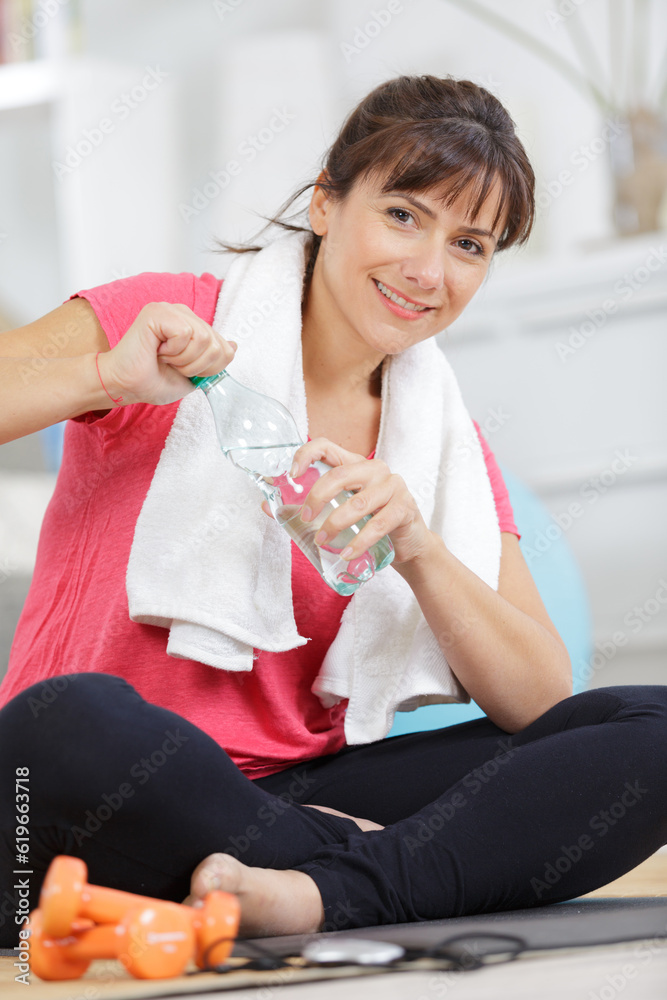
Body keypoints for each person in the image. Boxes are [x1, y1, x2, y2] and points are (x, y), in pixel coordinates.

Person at [1, 74, 666, 948]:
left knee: (649, 728)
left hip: (283, 798)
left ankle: (313, 892)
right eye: (402, 215)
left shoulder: (441, 439)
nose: (428, 271)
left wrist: (417, 546)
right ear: (325, 203)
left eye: (469, 244)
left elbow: (538, 698)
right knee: (66, 722)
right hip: (75, 795)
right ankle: (379, 869)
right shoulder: (167, 324)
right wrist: (107, 379)